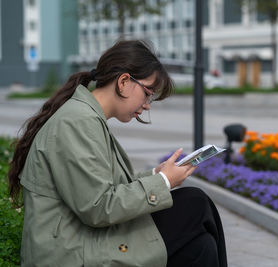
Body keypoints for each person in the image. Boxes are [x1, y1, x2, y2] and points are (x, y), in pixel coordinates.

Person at [8, 40, 227, 267]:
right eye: (148, 93)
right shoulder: (77, 122)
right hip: (72, 252)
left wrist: (156, 174)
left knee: (201, 245)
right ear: (123, 81)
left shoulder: (85, 118)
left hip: (83, 239)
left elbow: (103, 187)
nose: (147, 105)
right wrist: (163, 182)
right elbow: (98, 207)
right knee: (195, 204)